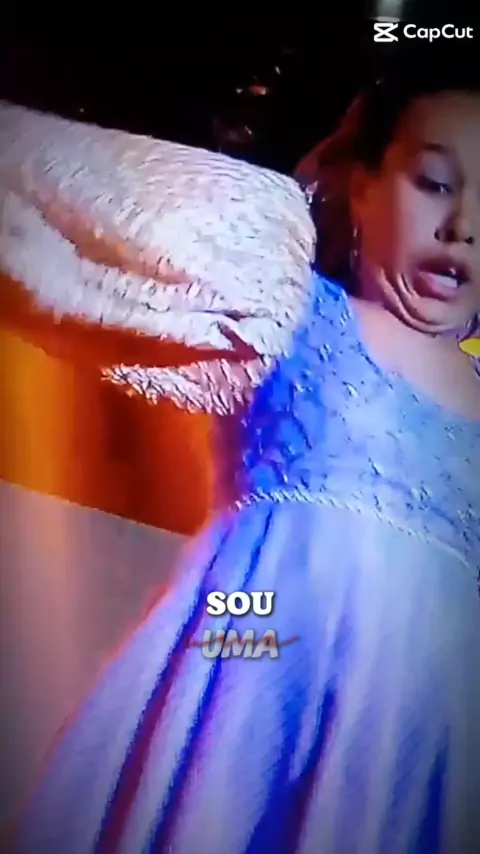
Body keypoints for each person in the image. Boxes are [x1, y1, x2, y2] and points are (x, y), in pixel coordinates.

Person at [9, 52, 480, 853]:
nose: (463, 223)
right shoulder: (289, 303)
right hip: (252, 668)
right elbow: (52, 189)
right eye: (434, 182)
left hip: (422, 736)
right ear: (362, 186)